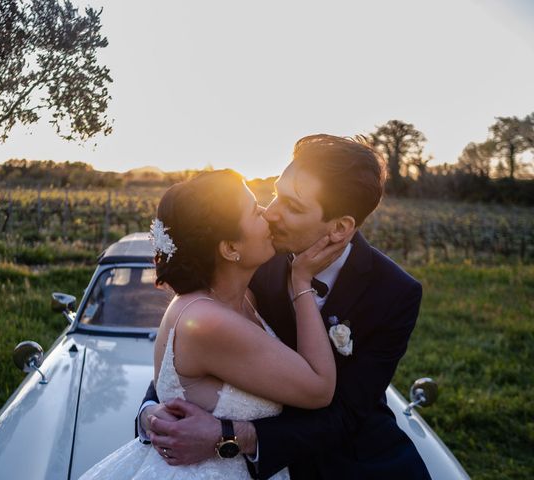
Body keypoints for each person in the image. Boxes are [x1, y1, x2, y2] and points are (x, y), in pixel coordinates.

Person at [138, 135, 432, 479]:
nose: (272, 212)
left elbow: (346, 414)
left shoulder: (393, 292)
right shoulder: (251, 257)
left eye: (293, 206)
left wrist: (230, 436)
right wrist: (153, 415)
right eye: (277, 192)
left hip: (346, 465)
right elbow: (190, 347)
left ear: (339, 228)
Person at [80, 169, 348, 480]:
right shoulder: (206, 321)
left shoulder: (243, 297)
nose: (267, 214)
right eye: (253, 210)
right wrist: (302, 282)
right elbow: (318, 389)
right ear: (230, 248)